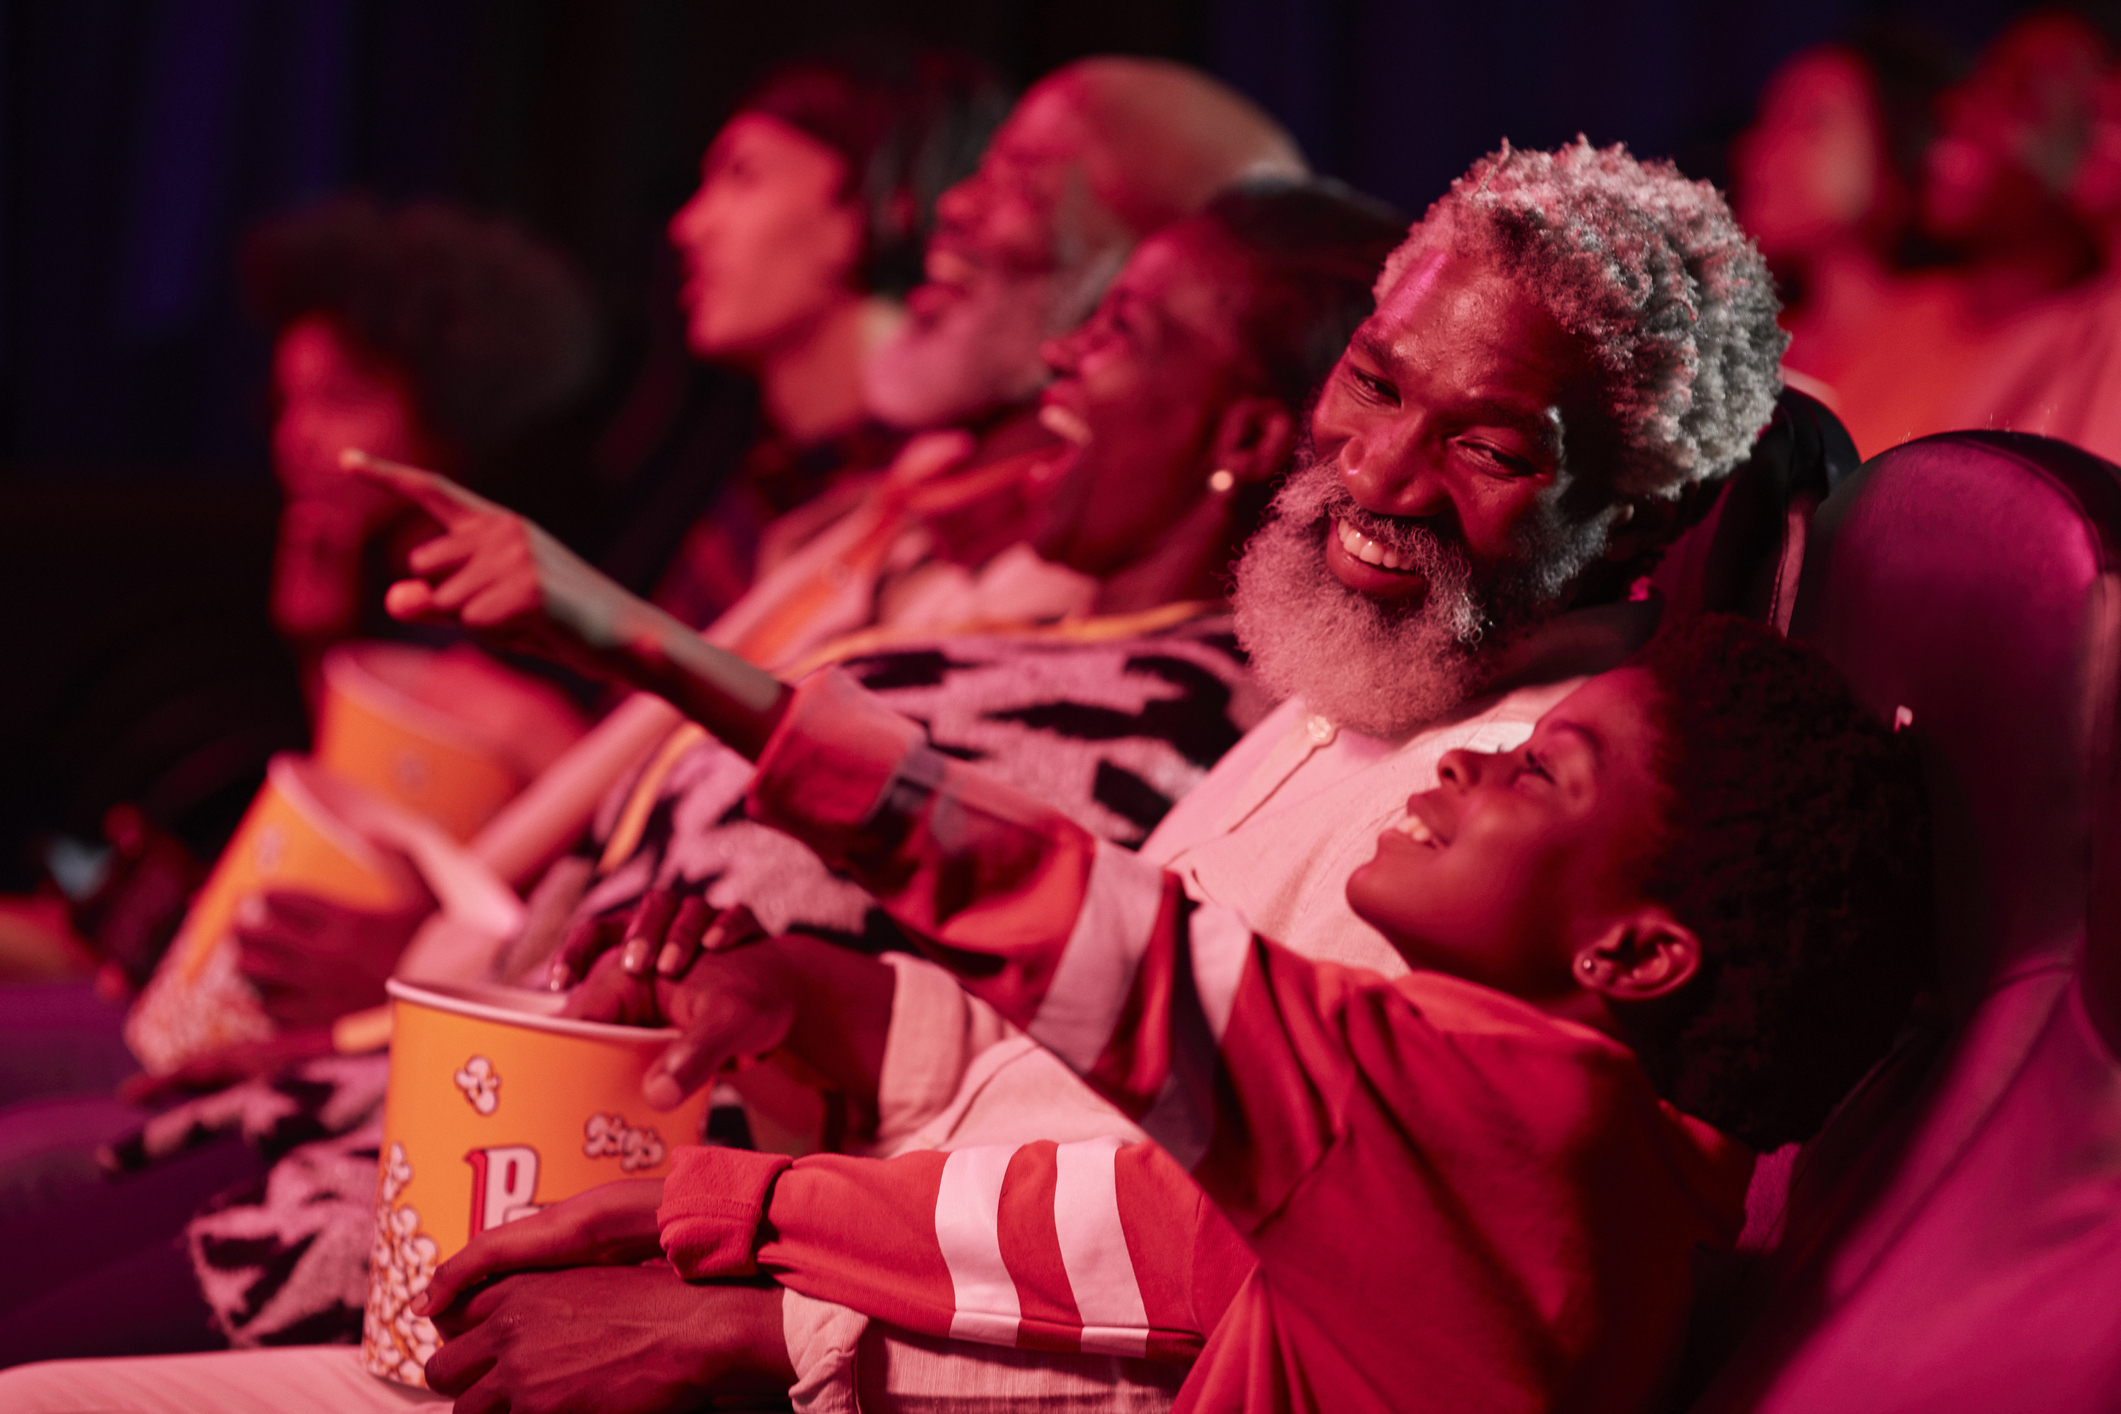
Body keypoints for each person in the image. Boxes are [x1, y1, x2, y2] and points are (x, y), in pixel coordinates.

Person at [398, 610, 1930, 1414]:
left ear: (1637, 956)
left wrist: (626, 639)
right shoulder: (1538, 1146)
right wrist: (721, 1203)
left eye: (1539, 769)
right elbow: (1135, 1234)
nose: (1466, 762)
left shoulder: (1508, 1126)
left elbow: (1060, 911)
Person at [1731, 26, 1959, 448]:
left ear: (1899, 141)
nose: (1759, 150)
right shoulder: (1745, 349)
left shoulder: (1961, 328)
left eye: (1810, 121)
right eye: (1767, 122)